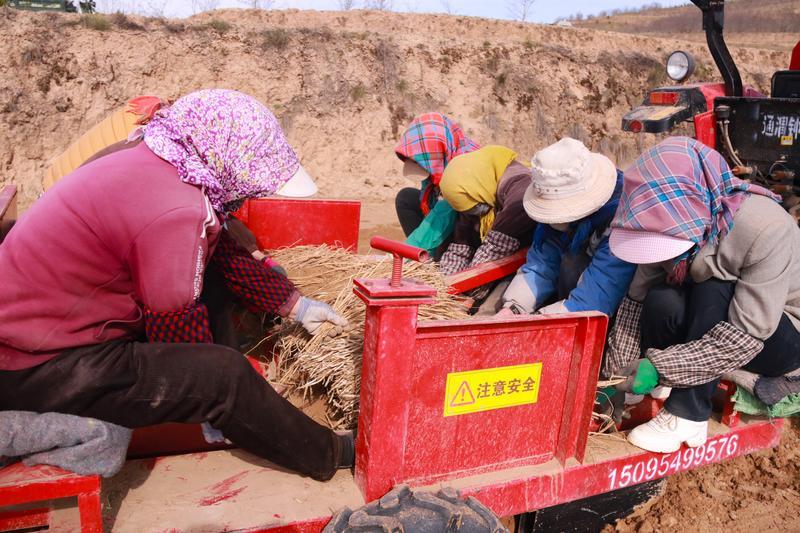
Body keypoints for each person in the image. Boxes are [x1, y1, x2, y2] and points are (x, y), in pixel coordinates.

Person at [0, 89, 353, 481]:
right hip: (36, 366)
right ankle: (329, 452)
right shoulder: (175, 210)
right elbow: (174, 318)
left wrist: (295, 305)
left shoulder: (154, 157)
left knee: (213, 294)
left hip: (38, 335)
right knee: (223, 376)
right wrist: (208, 393)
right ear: (225, 158)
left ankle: (232, 407)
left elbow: (220, 257)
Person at [604, 136, 800, 453]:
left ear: (696, 204)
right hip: (721, 320)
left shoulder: (766, 229)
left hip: (779, 335)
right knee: (661, 296)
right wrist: (615, 376)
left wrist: (660, 366)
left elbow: (745, 336)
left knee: (714, 287)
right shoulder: (672, 222)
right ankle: (667, 384)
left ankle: (687, 414)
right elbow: (635, 302)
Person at [497, 138, 636, 317]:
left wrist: (540, 319)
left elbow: (601, 291)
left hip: (611, 302)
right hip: (577, 293)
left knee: (573, 262)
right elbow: (542, 262)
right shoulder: (556, 221)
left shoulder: (621, 222)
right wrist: (512, 308)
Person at [436, 145, 535, 278]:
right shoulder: (478, 190)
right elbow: (460, 247)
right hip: (497, 254)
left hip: (530, 261)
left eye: (474, 206)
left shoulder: (520, 190)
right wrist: (444, 280)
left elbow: (494, 251)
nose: (475, 211)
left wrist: (466, 287)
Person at [394, 113, 480, 256]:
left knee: (444, 215)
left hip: (471, 226)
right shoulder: (439, 156)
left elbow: (442, 214)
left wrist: (406, 255)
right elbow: (429, 199)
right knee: (406, 198)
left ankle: (428, 255)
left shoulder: (463, 168)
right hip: (445, 212)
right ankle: (425, 254)